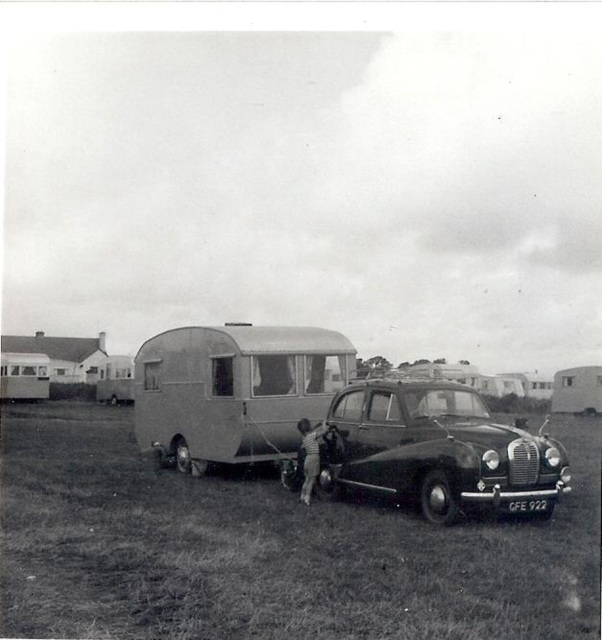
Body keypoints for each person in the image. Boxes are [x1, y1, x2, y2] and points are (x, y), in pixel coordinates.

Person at [297, 418, 331, 506]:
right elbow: (324, 431)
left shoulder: (304, 439)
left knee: (306, 480)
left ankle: (302, 496)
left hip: (307, 459)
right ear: (309, 427)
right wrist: (324, 423)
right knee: (312, 481)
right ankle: (307, 499)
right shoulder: (312, 436)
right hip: (314, 459)